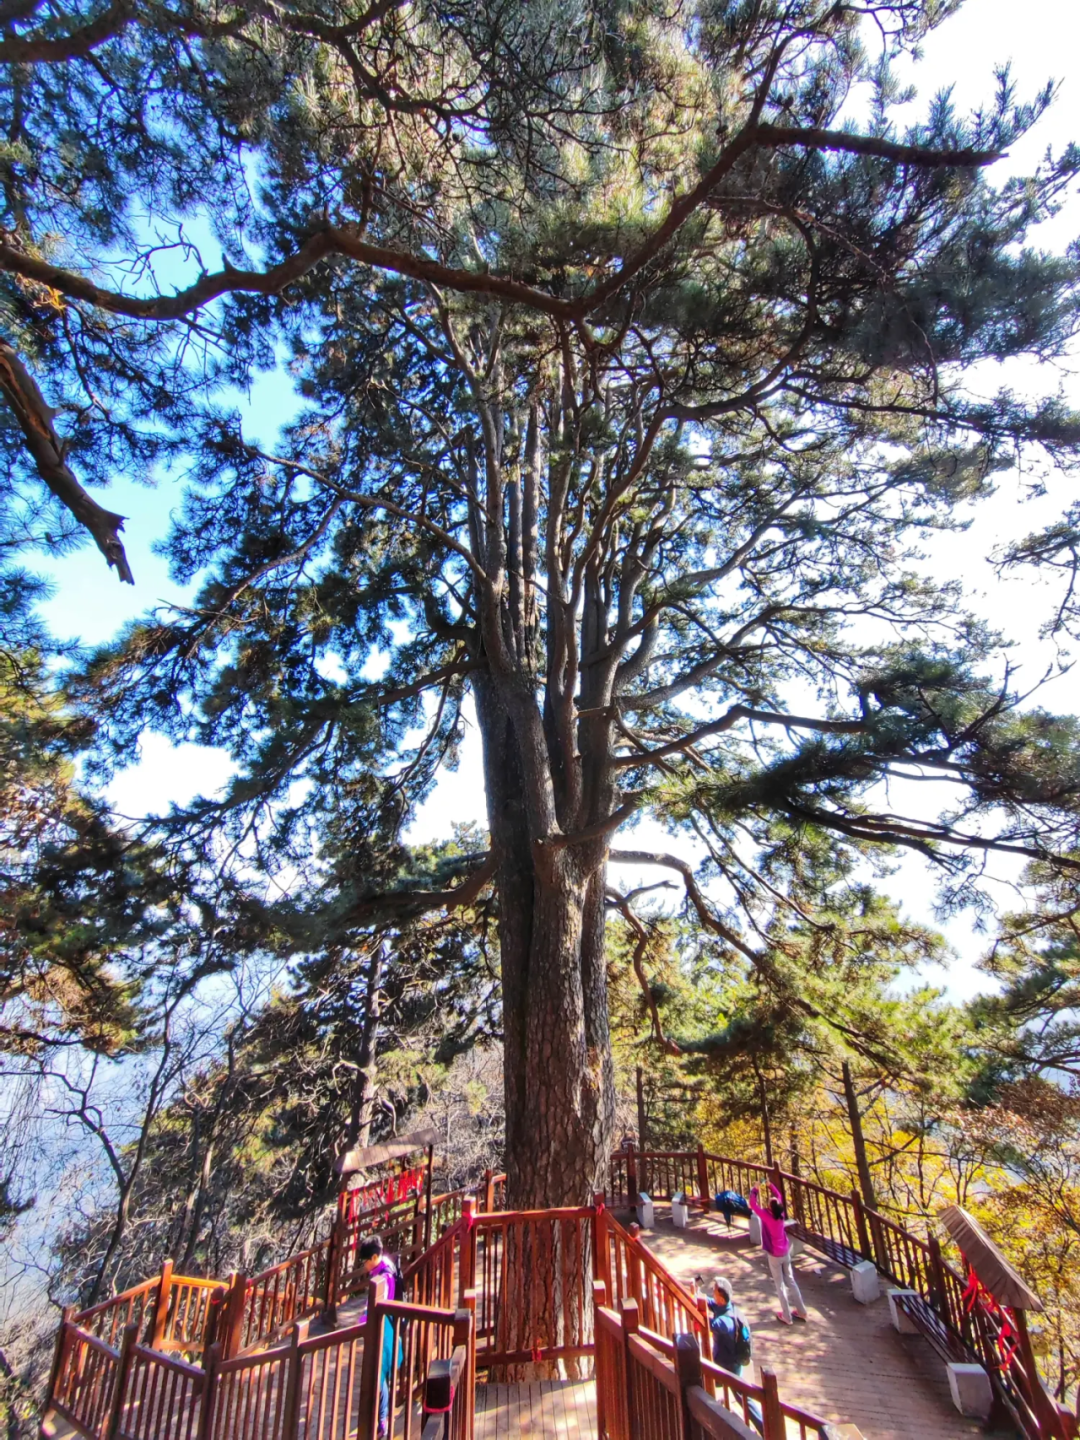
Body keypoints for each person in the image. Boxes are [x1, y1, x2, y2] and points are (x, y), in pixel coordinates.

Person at [357, 1236, 401, 1439]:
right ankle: (383, 1416)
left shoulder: (385, 1275)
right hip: (387, 1326)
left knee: (378, 1372)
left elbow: (384, 1302)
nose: (364, 1266)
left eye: (365, 1261)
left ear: (375, 1257)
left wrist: (365, 1320)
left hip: (387, 1328)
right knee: (380, 1371)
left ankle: (382, 1420)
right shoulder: (385, 1266)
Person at [748, 1182, 808, 1326]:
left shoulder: (766, 1216)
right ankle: (802, 1311)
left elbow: (752, 1204)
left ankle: (787, 1316)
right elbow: (779, 1195)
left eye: (769, 1201)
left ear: (769, 1207)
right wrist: (770, 1185)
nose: (770, 1200)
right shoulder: (780, 1213)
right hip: (785, 1251)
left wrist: (756, 1188)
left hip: (774, 1254)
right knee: (791, 1281)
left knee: (780, 1284)